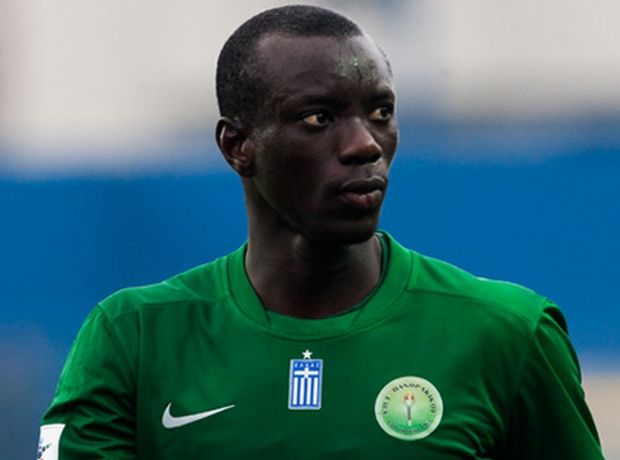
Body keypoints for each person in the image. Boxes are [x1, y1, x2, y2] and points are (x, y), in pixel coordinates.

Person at [38, 5, 604, 459]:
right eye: (319, 118)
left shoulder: (508, 334)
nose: (365, 144)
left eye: (380, 112)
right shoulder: (133, 337)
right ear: (238, 146)